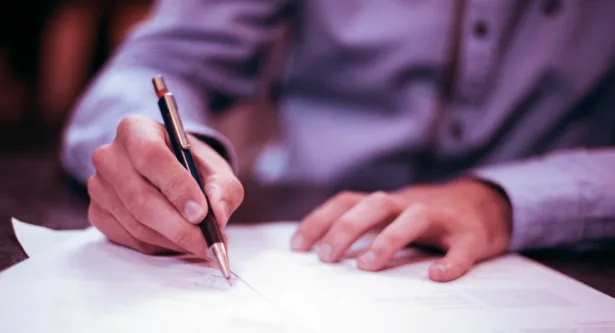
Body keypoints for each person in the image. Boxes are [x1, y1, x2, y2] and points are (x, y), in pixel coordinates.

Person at [61, 1, 615, 282]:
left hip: (560, 256)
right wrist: (163, 155)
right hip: (304, 236)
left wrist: (504, 200)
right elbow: (155, 64)